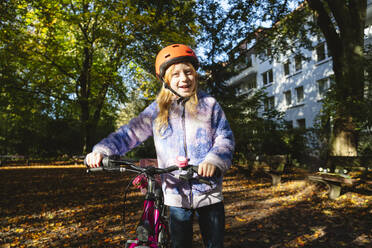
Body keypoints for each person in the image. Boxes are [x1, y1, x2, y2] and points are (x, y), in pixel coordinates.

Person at [85, 44, 235, 248]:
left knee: (214, 244)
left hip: (208, 190)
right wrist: (102, 151)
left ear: (195, 75)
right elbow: (129, 133)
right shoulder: (157, 110)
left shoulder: (209, 105)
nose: (184, 78)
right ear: (166, 80)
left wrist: (213, 160)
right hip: (175, 194)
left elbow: (224, 137)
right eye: (176, 74)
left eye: (188, 72)